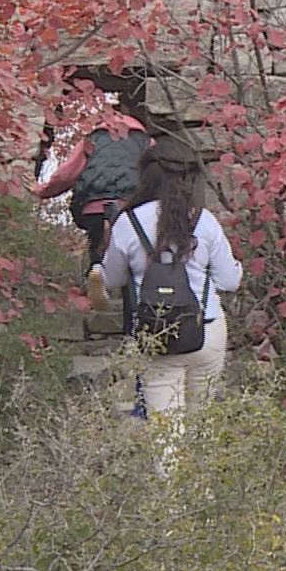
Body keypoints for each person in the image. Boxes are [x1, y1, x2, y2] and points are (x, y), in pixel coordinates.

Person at [100, 138, 243, 414]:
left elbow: (111, 281)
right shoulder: (204, 221)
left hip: (157, 333)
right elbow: (229, 282)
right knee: (202, 427)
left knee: (167, 438)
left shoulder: (128, 223)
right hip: (206, 328)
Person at [33, 109, 152, 273]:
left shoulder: (92, 139)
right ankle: (128, 290)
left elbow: (66, 175)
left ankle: (96, 276)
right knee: (133, 255)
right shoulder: (147, 142)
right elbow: (156, 177)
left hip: (95, 206)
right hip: (131, 207)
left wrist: (41, 190)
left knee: (97, 252)